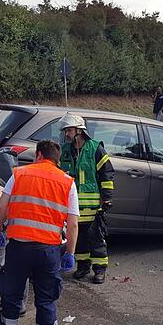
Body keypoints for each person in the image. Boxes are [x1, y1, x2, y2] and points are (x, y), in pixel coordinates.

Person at [0, 140, 79, 325]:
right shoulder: (67, 182)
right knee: (46, 301)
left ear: (38, 155)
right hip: (48, 252)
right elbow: (73, 224)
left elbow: (0, 207)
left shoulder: (19, 174)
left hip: (18, 247)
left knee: (12, 299)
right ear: (57, 160)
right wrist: (70, 253)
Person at [58, 113, 115, 284]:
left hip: (92, 205)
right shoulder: (65, 150)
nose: (66, 134)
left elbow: (107, 175)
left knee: (96, 239)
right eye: (66, 131)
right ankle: (83, 266)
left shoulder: (95, 148)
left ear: (79, 131)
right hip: (72, 206)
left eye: (68, 130)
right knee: (79, 239)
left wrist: (106, 199)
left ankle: (99, 270)